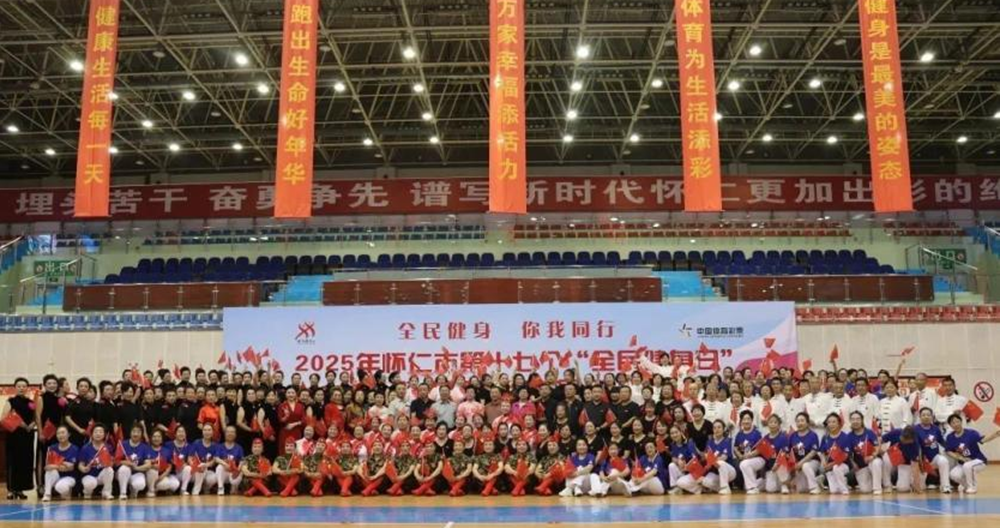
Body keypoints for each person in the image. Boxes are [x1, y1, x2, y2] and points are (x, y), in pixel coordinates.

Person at [944, 413, 1000, 494]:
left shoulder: (971, 433)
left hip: (978, 460)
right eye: (953, 422)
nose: (956, 424)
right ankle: (967, 486)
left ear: (961, 422)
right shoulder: (950, 437)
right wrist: (961, 458)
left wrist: (995, 434)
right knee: (953, 474)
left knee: (968, 466)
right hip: (963, 462)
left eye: (957, 421)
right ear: (950, 425)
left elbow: (982, 440)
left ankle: (972, 487)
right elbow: (948, 451)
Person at [1, 377, 36, 500]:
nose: (21, 388)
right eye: (19, 386)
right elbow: (3, 418)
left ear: (27, 388)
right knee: (13, 462)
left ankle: (20, 489)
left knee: (24, 462)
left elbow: (35, 417)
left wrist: (32, 424)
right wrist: (20, 424)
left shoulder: (31, 402)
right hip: (14, 435)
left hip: (28, 435)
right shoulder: (10, 401)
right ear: (15, 388)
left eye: (24, 386)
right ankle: (11, 490)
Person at [912, 407, 950, 492]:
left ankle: (945, 486)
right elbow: (915, 447)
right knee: (921, 487)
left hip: (933, 459)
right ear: (920, 417)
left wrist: (952, 448)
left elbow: (942, 442)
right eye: (923, 415)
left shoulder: (936, 428)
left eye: (928, 415)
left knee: (943, 461)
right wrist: (920, 461)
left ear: (932, 417)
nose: (926, 417)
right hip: (921, 461)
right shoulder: (915, 429)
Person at [846, 411, 882, 495]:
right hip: (861, 466)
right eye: (853, 419)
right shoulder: (849, 436)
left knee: (876, 463)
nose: (855, 421)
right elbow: (848, 454)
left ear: (862, 420)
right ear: (850, 421)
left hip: (872, 461)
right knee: (865, 490)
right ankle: (873, 480)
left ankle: (877, 488)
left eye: (858, 419)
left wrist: (872, 456)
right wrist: (853, 464)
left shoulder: (870, 432)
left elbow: (877, 447)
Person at [77, 424, 115, 500]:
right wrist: (83, 469)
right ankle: (87, 492)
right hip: (89, 475)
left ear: (104, 434)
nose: (98, 434)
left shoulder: (108, 447)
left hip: (102, 475)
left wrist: (109, 463)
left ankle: (106, 492)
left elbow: (112, 462)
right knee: (90, 484)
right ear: (92, 434)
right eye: (96, 432)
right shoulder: (85, 448)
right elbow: (80, 464)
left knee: (110, 470)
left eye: (100, 432)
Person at [41, 426, 77, 501]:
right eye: (58, 433)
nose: (61, 435)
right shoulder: (52, 448)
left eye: (63, 433)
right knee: (49, 471)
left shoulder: (74, 448)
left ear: (68, 434)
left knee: (61, 487)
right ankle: (47, 494)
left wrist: (55, 464)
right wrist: (62, 464)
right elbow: (47, 467)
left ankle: (67, 490)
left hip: (69, 477)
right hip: (56, 476)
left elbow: (71, 468)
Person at [819, 413, 853, 495]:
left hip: (843, 464)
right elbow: (822, 452)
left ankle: (844, 490)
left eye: (834, 422)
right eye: (829, 422)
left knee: (836, 468)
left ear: (839, 424)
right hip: (830, 467)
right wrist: (823, 461)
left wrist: (832, 464)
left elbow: (845, 455)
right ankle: (831, 478)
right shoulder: (825, 438)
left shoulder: (845, 437)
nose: (831, 424)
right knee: (834, 491)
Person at [881, 426, 921, 493]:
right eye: (902, 438)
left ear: (912, 440)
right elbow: (880, 440)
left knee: (903, 488)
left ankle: (909, 483)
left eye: (906, 441)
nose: (902, 440)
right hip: (891, 456)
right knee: (885, 459)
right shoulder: (896, 432)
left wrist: (917, 484)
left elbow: (915, 466)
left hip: (904, 462)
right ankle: (887, 485)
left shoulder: (915, 445)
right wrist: (880, 450)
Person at [116, 424, 152, 500]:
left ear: (142, 434)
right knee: (124, 469)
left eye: (138, 432)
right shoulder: (122, 444)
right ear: (130, 433)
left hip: (137, 472)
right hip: (123, 473)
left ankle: (134, 490)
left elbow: (148, 464)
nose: (135, 434)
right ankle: (123, 493)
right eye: (134, 431)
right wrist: (128, 463)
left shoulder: (145, 447)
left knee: (140, 484)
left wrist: (136, 468)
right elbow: (116, 461)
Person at [789, 412, 821, 494]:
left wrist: (801, 463)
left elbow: (813, 452)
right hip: (799, 465)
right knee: (801, 489)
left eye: (802, 421)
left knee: (805, 465)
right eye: (798, 421)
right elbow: (789, 452)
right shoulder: (793, 436)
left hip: (812, 461)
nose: (800, 423)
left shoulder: (813, 435)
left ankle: (815, 487)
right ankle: (818, 480)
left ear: (807, 423)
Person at [701, 420, 735, 494]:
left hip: (729, 471)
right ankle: (723, 488)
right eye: (715, 428)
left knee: (720, 462)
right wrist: (708, 459)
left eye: (719, 427)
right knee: (704, 481)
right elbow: (706, 456)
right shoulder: (709, 442)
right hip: (716, 472)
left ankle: (725, 487)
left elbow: (724, 457)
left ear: (723, 429)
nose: (717, 430)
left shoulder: (727, 441)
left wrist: (711, 460)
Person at [214, 425, 245, 496]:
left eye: (232, 432)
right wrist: (225, 464)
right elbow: (216, 458)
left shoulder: (239, 447)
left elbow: (242, 460)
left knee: (240, 472)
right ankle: (220, 488)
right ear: (225, 434)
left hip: (233, 471)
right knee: (219, 467)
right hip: (224, 472)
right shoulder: (220, 446)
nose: (230, 434)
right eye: (228, 432)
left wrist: (238, 469)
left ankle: (234, 487)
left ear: (235, 434)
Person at [166, 425, 194, 495]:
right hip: (171, 473)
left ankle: (183, 490)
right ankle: (170, 489)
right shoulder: (168, 445)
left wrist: (187, 464)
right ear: (175, 434)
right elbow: (167, 459)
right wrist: (175, 463)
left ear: (185, 434)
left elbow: (190, 459)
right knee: (174, 485)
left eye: (183, 432)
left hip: (182, 472)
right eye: (179, 432)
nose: (181, 434)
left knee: (188, 468)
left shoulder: (189, 446)